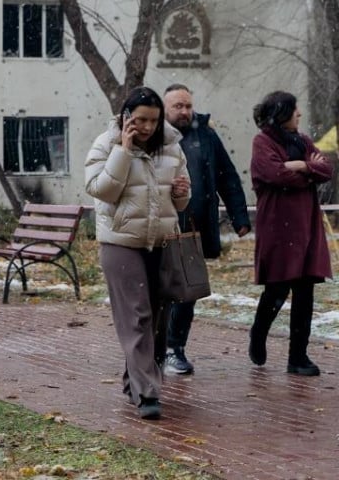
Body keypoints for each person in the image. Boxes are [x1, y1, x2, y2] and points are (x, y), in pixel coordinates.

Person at [85, 86, 190, 420]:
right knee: (137, 316)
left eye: (154, 120)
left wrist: (182, 192)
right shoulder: (106, 144)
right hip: (121, 243)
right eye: (140, 120)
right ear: (125, 117)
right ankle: (147, 393)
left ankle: (135, 382)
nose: (147, 127)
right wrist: (124, 151)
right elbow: (101, 190)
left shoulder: (172, 148)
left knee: (158, 320)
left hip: (162, 243)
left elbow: (179, 202)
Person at [162, 84, 251, 375]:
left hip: (194, 228)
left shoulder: (205, 134)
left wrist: (239, 217)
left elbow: (227, 176)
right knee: (158, 292)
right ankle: (153, 348)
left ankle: (175, 348)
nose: (185, 111)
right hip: (159, 227)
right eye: (178, 106)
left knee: (189, 291)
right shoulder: (155, 135)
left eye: (188, 105)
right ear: (165, 108)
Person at [249, 91, 333, 376]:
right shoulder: (262, 142)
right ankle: (259, 334)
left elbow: (327, 169)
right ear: (282, 113)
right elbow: (274, 174)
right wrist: (308, 172)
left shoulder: (303, 141)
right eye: (295, 110)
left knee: (305, 289)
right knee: (278, 287)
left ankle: (298, 356)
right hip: (278, 226)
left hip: (306, 225)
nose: (300, 115)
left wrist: (302, 165)